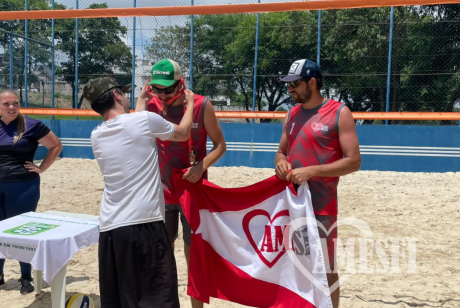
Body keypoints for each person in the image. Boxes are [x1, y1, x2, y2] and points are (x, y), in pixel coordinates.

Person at [84, 77, 195, 308]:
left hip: (110, 229)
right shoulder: (144, 120)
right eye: (123, 94)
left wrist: (141, 100)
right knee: (158, 297)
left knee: (123, 299)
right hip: (143, 224)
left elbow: (134, 127)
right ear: (116, 95)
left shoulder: (96, 135)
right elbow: (183, 133)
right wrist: (191, 102)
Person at [135, 58, 226, 308]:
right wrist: (141, 101)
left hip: (192, 190)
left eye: (168, 88)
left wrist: (201, 166)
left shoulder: (201, 105)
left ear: (181, 83)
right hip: (160, 192)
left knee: (193, 255)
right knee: (161, 257)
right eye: (157, 88)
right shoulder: (150, 104)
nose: (162, 94)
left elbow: (221, 146)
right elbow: (134, 135)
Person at [275, 59, 361, 308]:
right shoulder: (290, 114)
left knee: (326, 269)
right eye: (289, 85)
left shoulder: (338, 112)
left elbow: (354, 162)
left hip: (322, 207)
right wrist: (281, 163)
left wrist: (312, 171)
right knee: (298, 267)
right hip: (294, 205)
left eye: (295, 84)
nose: (290, 89)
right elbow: (281, 152)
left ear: (312, 82)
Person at [0, 89, 62, 294]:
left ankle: (25, 277)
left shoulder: (32, 125)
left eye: (15, 103)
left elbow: (55, 146)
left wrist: (42, 168)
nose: (11, 107)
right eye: (6, 104)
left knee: (21, 233)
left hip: (23, 186)